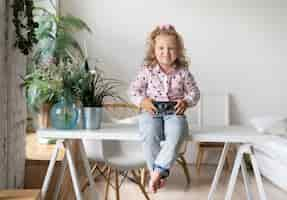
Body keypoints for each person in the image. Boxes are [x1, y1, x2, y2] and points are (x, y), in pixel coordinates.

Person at [129, 24, 200, 193]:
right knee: (149, 132)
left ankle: (156, 172)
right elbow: (133, 90)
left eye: (171, 48)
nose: (166, 52)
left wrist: (186, 101)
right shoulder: (147, 71)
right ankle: (157, 172)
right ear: (153, 50)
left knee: (178, 132)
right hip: (151, 111)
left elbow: (195, 93)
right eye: (161, 48)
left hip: (174, 112)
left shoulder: (183, 73)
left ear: (179, 51)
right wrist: (142, 101)